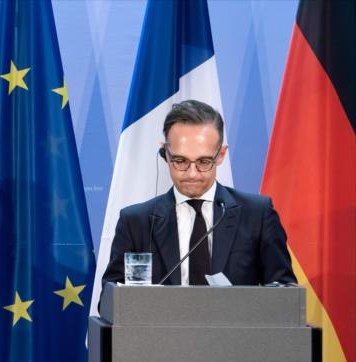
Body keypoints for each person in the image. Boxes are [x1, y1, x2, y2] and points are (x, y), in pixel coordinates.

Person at [101, 100, 295, 292]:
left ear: (221, 155)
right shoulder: (136, 222)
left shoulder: (257, 215)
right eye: (180, 160)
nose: (192, 173)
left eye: (203, 161)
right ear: (165, 153)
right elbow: (111, 301)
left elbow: (285, 295)